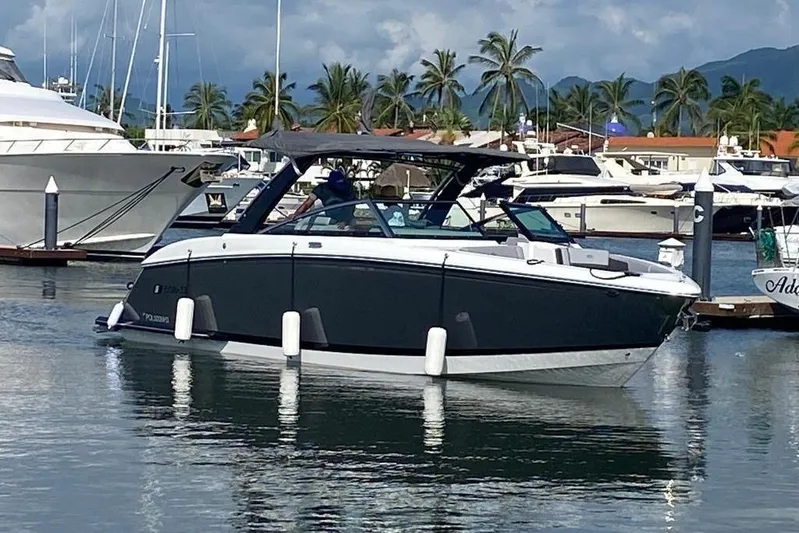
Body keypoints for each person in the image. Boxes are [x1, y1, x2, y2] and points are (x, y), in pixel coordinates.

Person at [291, 169, 356, 224]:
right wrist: (296, 215)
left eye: (342, 184)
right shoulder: (321, 189)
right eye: (338, 185)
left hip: (347, 220)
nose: (340, 187)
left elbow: (351, 206)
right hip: (330, 219)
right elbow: (307, 203)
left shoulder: (348, 188)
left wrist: (346, 221)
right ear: (330, 183)